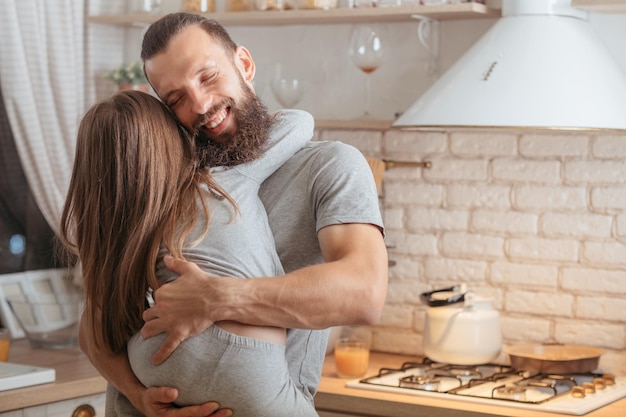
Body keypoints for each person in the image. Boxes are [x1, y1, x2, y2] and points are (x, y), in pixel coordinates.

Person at [78, 12, 388, 417]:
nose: (201, 105)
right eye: (176, 99)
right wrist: (139, 396)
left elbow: (363, 293)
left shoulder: (329, 166)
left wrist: (214, 299)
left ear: (244, 64)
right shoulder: (168, 179)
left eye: (207, 78)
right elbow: (93, 323)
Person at [60, 89, 319, 416]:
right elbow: (300, 122)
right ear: (172, 140)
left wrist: (139, 396)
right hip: (241, 357)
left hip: (154, 361)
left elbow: (90, 333)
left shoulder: (116, 234)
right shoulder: (220, 180)